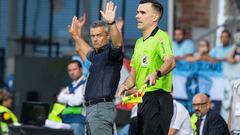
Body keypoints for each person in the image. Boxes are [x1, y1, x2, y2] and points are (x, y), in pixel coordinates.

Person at [118, 0, 176, 135]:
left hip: (158, 98)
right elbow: (133, 76)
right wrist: (125, 86)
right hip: (142, 99)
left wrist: (156, 74)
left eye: (142, 12)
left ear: (155, 17)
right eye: (137, 12)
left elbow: (170, 61)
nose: (137, 16)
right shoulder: (138, 43)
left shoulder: (161, 36)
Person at [68, 1, 123, 135]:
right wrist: (76, 35)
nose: (95, 39)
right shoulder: (96, 55)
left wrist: (111, 23)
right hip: (92, 109)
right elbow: (82, 48)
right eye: (92, 36)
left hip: (101, 108)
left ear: (107, 36)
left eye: (99, 35)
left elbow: (117, 43)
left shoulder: (111, 54)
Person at [57, 60, 87, 135]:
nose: (72, 72)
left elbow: (76, 101)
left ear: (81, 69)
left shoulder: (85, 83)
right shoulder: (72, 84)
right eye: (69, 70)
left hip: (78, 122)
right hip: (66, 121)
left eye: (74, 69)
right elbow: (59, 98)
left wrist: (66, 96)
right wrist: (72, 96)